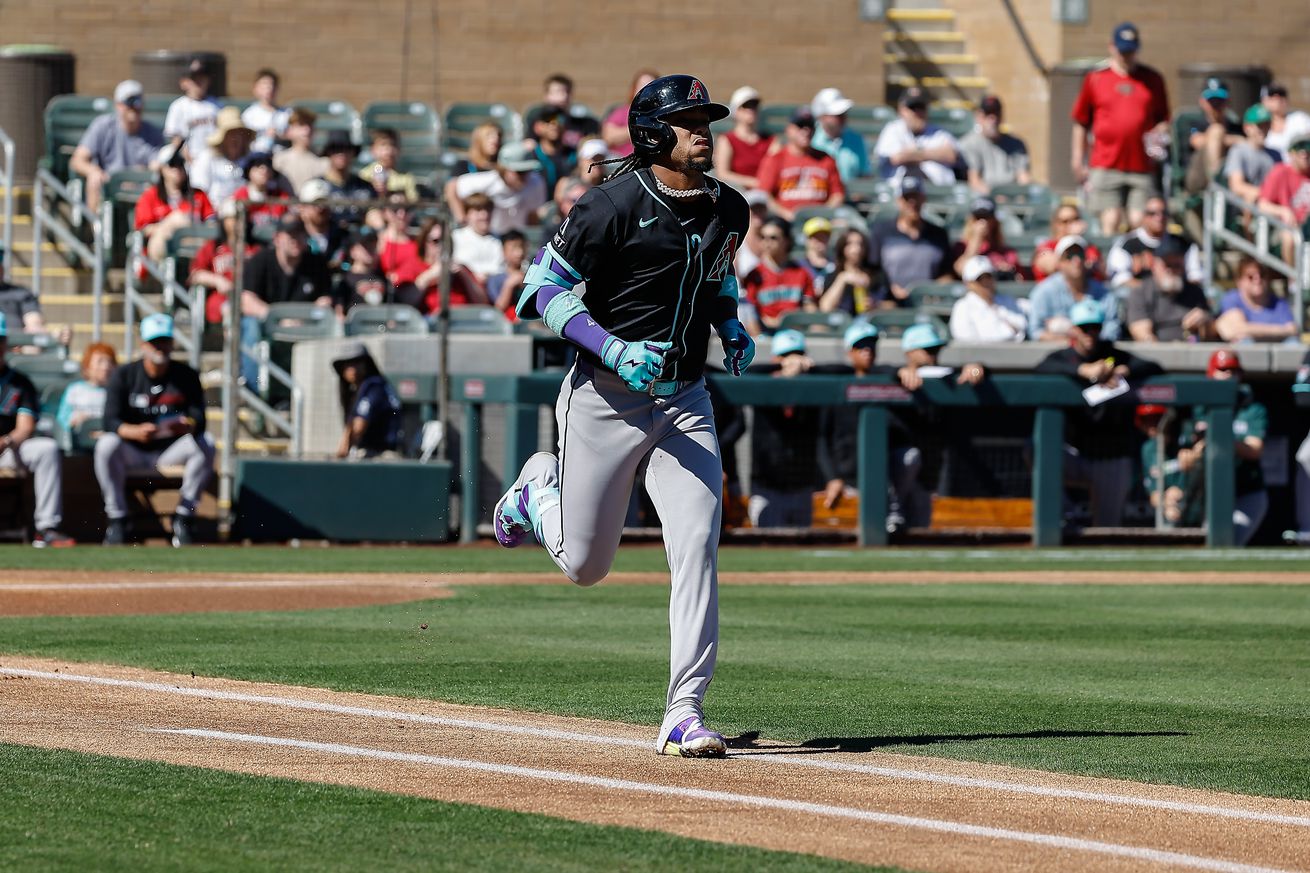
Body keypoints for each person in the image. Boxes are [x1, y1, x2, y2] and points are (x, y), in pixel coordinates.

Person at [492, 74, 752, 759]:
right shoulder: (607, 205)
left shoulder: (731, 207)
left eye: (707, 118)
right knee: (585, 565)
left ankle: (683, 710)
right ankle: (533, 491)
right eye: (689, 119)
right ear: (652, 134)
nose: (704, 130)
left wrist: (731, 325)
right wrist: (612, 346)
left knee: (696, 545)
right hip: (605, 394)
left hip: (687, 398)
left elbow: (715, 277)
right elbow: (539, 290)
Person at [1035, 298, 1162, 527]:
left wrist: (1124, 370)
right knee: (1034, 448)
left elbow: (1154, 366)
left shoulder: (1111, 353)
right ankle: (1067, 512)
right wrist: (1082, 370)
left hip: (1109, 456)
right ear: (1074, 329)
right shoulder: (1065, 357)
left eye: (1095, 328)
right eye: (1085, 328)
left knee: (1107, 528)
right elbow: (1041, 368)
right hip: (1074, 454)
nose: (1090, 334)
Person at [95, 314, 212, 546]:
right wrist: (133, 431)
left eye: (165, 341)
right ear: (143, 345)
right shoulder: (125, 375)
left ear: (172, 343)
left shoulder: (186, 375)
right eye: (155, 342)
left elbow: (200, 418)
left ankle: (184, 517)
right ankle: (117, 517)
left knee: (205, 443)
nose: (161, 347)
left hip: (170, 448)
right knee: (106, 444)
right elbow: (109, 421)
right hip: (133, 449)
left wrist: (187, 425)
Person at [816, 322, 924, 531]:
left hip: (882, 475)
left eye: (871, 346)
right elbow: (822, 438)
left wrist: (902, 371)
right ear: (850, 351)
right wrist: (832, 478)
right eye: (861, 347)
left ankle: (893, 510)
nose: (868, 351)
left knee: (908, 456)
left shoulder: (886, 378)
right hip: (846, 475)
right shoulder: (836, 381)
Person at [1070, 22, 1170, 234]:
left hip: (1141, 163)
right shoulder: (1097, 78)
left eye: (1131, 51)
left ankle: (1137, 265)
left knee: (1139, 220)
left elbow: (1163, 118)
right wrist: (1078, 159)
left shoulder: (1152, 79)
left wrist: (1158, 134)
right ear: (1112, 47)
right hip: (1106, 161)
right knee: (1111, 218)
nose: (1127, 56)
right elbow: (1081, 121)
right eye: (1123, 50)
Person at [1177, 350, 1268, 545]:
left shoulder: (1251, 408)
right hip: (1208, 495)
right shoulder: (1199, 408)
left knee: (1229, 542)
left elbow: (1255, 450)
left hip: (1246, 491)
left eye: (1234, 370)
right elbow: (1184, 462)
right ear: (1211, 373)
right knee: (1204, 546)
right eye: (1223, 369)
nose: (1229, 374)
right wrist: (1198, 451)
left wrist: (1219, 439)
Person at [0, 313, 74, 547]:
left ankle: (46, 528)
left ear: (5, 344)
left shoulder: (19, 382)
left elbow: (25, 427)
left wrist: (5, 441)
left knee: (46, 448)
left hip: (8, 450)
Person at [240, 214, 333, 385]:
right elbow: (246, 301)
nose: (296, 240)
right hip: (266, 324)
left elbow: (325, 302)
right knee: (250, 327)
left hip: (304, 325)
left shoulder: (316, 264)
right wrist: (280, 319)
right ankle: (254, 390)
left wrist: (299, 319)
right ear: (277, 239)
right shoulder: (260, 261)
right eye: (290, 235)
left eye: (300, 234)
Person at [748, 329, 820, 528]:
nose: (793, 360)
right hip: (767, 486)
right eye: (786, 356)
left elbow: (845, 371)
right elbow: (744, 372)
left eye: (798, 355)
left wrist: (808, 370)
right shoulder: (763, 383)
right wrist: (782, 368)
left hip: (802, 486)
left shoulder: (812, 384)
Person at [70, 79, 164, 212]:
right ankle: (96, 230)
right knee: (94, 180)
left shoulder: (153, 133)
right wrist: (95, 171)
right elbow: (77, 160)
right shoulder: (102, 126)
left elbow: (157, 166)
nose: (134, 107)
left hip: (140, 186)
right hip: (108, 183)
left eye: (138, 101)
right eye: (129, 102)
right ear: (118, 105)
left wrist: (138, 175)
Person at [867, 175, 951, 306]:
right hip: (890, 303)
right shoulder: (881, 232)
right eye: (907, 198)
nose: (913, 203)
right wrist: (890, 287)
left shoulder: (938, 234)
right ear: (899, 201)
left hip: (927, 305)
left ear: (923, 199)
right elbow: (873, 269)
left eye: (916, 197)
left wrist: (933, 290)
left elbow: (947, 273)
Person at [754, 108, 845, 221]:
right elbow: (764, 195)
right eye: (800, 126)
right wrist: (786, 215)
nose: (806, 131)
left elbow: (837, 195)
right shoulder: (775, 159)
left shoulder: (826, 159)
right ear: (789, 129)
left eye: (810, 126)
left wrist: (823, 214)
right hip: (784, 221)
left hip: (819, 222)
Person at [134, 142, 216, 263]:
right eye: (172, 164)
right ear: (162, 169)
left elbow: (212, 225)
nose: (177, 169)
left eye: (181, 164)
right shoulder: (150, 196)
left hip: (195, 250)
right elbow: (144, 230)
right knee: (177, 219)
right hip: (160, 252)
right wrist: (173, 228)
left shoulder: (199, 195)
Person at [1028, 235, 1121, 340]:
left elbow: (1112, 328)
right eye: (1069, 256)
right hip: (1058, 353)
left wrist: (1089, 343)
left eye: (1080, 254)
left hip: (1097, 354)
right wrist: (1073, 341)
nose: (1076, 260)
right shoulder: (1044, 292)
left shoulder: (1103, 293)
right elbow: (1036, 331)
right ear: (1059, 263)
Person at [1125, 236, 1215, 342]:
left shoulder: (1195, 291)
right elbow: (1141, 332)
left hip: (1190, 349)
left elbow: (1211, 332)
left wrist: (1203, 320)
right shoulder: (1141, 292)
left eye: (1176, 265)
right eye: (1166, 265)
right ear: (1154, 265)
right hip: (1155, 353)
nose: (1171, 270)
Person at [445, 142, 547, 235]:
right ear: (504, 169)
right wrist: (462, 219)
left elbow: (533, 214)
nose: (524, 176)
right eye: (519, 172)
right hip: (492, 240)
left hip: (515, 242)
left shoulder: (536, 182)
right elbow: (452, 187)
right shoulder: (487, 181)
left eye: (528, 170)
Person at [1104, 195, 1201, 290]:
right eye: (1153, 213)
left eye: (1163, 213)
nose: (1159, 217)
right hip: (1138, 301)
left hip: (1178, 300)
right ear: (1144, 216)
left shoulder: (1183, 244)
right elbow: (1121, 281)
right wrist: (1155, 291)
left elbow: (1195, 277)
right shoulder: (1127, 244)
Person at [742, 216, 817, 333]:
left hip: (797, 332)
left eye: (773, 238)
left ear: (787, 241)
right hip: (766, 333)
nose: (767, 242)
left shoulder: (801, 272)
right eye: (763, 237)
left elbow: (810, 308)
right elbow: (749, 314)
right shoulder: (754, 275)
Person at [874, 87, 960, 185]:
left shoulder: (939, 132)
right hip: (899, 193)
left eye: (921, 108)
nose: (917, 113)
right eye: (913, 108)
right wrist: (933, 154)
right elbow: (897, 158)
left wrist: (914, 154)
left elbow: (951, 155)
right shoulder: (893, 129)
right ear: (901, 110)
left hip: (937, 192)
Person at [332, 343, 402, 459]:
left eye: (357, 363)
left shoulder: (374, 386)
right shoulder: (363, 387)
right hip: (374, 452)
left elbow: (359, 426)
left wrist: (342, 452)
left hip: (383, 454)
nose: (352, 369)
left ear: (367, 364)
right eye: (347, 365)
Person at [410, 217, 485, 314]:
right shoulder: (414, 266)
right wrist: (429, 276)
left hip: (463, 321)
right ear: (424, 243)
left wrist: (464, 276)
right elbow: (406, 302)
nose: (442, 246)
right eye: (436, 241)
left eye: (445, 241)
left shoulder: (461, 268)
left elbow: (483, 303)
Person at [1182, 78, 1243, 197]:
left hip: (1233, 176)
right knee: (1216, 130)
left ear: (1227, 101)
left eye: (1219, 100)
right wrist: (1223, 138)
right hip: (1197, 177)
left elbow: (1246, 142)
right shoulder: (1193, 122)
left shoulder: (1236, 126)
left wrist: (1222, 139)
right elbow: (1196, 141)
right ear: (1202, 101)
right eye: (1211, 101)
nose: (1216, 105)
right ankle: (1216, 181)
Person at [959, 95, 1031, 194]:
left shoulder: (1016, 144)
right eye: (988, 115)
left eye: (996, 114)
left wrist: (1021, 196)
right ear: (979, 117)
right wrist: (995, 197)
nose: (993, 119)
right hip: (984, 198)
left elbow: (1023, 178)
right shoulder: (969, 143)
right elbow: (974, 181)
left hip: (1012, 197)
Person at [1216, 255, 1297, 343]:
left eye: (1261, 275)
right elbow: (1236, 329)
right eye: (1250, 276)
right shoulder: (1231, 299)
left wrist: (1251, 330)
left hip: (1277, 352)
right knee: (1246, 342)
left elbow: (1293, 330)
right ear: (1239, 281)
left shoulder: (1279, 303)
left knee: (1293, 343)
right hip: (1246, 353)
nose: (1257, 280)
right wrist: (1280, 330)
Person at [0, 251, 72, 349]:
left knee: (33, 344)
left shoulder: (20, 293)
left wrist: (53, 336)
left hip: (16, 349)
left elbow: (34, 324)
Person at [1257, 134, 1310, 265]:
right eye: (1299, 148)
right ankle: (1294, 282)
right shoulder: (1280, 171)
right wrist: (1283, 211)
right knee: (1290, 237)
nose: (1305, 153)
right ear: (1291, 153)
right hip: (1285, 228)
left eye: (1308, 147)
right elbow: (1262, 204)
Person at [948, 255, 1027, 342]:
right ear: (968, 283)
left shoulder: (1008, 301)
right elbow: (965, 340)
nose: (986, 282)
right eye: (979, 279)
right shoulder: (962, 307)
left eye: (988, 277)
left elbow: (1021, 329)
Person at [190, 106, 255, 209]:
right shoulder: (207, 158)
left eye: (239, 134)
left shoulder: (251, 160)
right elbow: (199, 191)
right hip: (214, 214)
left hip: (246, 212)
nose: (235, 139)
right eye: (231, 134)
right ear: (222, 137)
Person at [895, 322, 987, 393]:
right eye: (928, 349)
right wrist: (899, 372)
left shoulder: (946, 373)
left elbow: (977, 372)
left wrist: (975, 370)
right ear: (910, 352)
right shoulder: (894, 373)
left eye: (937, 349)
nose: (934, 354)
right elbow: (884, 369)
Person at [712, 86, 773, 191]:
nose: (751, 110)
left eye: (754, 105)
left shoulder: (771, 141)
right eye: (746, 106)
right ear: (736, 111)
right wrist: (754, 182)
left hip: (767, 192)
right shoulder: (727, 140)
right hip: (739, 193)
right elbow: (722, 174)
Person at [55, 342, 117, 444]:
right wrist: (74, 420)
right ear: (87, 366)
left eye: (110, 362)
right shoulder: (75, 390)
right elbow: (62, 420)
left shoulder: (117, 391)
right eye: (100, 361)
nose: (106, 367)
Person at [163, 57, 221, 162]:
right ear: (183, 82)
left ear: (209, 80)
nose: (199, 82)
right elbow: (175, 137)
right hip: (189, 158)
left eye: (202, 77)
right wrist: (187, 157)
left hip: (213, 158)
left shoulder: (217, 105)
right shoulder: (178, 106)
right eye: (194, 79)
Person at [950, 195, 1021, 280]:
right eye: (978, 218)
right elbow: (961, 270)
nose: (983, 222)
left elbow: (1019, 279)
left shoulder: (1007, 252)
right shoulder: (960, 246)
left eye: (987, 218)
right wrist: (977, 239)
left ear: (994, 221)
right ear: (971, 221)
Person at [810, 87, 871, 183]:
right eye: (837, 114)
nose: (842, 118)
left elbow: (865, 176)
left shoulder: (857, 140)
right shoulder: (810, 139)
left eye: (844, 113)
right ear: (822, 116)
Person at [1225, 104, 1280, 205]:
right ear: (1247, 128)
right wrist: (1264, 194)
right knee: (1250, 197)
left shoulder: (1275, 154)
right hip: (1247, 208)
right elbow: (1236, 186)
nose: (1263, 130)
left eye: (1267, 125)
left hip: (1271, 205)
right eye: (1260, 126)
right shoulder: (1238, 151)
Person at [1031, 204, 1102, 281]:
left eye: (1075, 219)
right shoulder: (1047, 246)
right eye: (1065, 221)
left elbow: (1099, 268)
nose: (1072, 225)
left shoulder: (1088, 247)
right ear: (1056, 224)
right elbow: (1051, 265)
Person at [601, 69, 659, 158]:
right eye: (642, 86)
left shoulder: (662, 115)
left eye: (650, 86)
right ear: (634, 89)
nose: (647, 91)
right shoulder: (621, 112)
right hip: (621, 161)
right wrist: (641, 127)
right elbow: (608, 138)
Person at [818, 228, 876, 316]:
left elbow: (892, 304)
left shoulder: (876, 274)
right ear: (842, 247)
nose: (856, 249)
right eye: (850, 244)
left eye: (860, 244)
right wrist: (842, 279)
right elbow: (825, 308)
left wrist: (876, 305)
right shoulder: (833, 276)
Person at [230, 152, 292, 235]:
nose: (264, 170)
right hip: (248, 245)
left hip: (275, 244)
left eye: (268, 166)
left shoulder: (280, 196)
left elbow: (292, 216)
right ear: (249, 171)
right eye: (258, 166)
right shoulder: (240, 194)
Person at [332, 229, 392, 315]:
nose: (370, 250)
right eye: (365, 246)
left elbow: (392, 307)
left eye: (373, 246)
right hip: (355, 325)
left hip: (380, 324)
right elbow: (339, 311)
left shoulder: (382, 277)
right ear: (353, 251)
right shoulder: (345, 280)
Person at [318, 131, 373, 224]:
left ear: (353, 153)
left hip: (362, 235)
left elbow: (375, 212)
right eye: (336, 149)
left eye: (346, 149)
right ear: (328, 153)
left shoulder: (365, 186)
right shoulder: (317, 187)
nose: (341, 154)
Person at [452, 193, 507, 283]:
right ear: (467, 214)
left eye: (488, 210)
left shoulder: (500, 239)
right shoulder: (456, 237)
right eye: (478, 210)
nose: (484, 215)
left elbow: (501, 269)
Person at [273, 107, 328, 195]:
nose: (307, 130)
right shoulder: (279, 160)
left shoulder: (323, 162)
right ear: (289, 131)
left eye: (310, 125)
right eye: (301, 125)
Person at [526, 107, 577, 199]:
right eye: (548, 120)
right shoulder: (530, 157)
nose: (554, 124)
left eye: (560, 119)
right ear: (537, 127)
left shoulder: (575, 155)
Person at [359, 128, 419, 202]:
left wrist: (404, 200)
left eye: (393, 145)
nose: (389, 150)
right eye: (383, 145)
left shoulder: (406, 177)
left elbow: (414, 201)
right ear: (373, 150)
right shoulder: (365, 175)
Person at [241, 68, 290, 155]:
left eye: (272, 85)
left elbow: (294, 137)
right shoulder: (249, 114)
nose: (269, 88)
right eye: (264, 84)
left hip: (280, 156)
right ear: (255, 88)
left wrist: (279, 136)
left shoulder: (286, 113)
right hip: (256, 156)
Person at [1260, 82, 1310, 160]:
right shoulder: (1259, 125)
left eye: (1282, 94)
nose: (1278, 98)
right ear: (1263, 101)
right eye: (1272, 95)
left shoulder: (1301, 119)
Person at [486, 229, 528, 316]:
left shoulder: (531, 275)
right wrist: (509, 285)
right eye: (513, 248)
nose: (519, 252)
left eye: (521, 246)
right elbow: (498, 309)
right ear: (503, 251)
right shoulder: (495, 278)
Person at [799, 216, 834, 286]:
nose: (820, 240)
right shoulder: (798, 266)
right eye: (815, 237)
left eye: (824, 236)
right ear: (806, 240)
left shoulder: (836, 264)